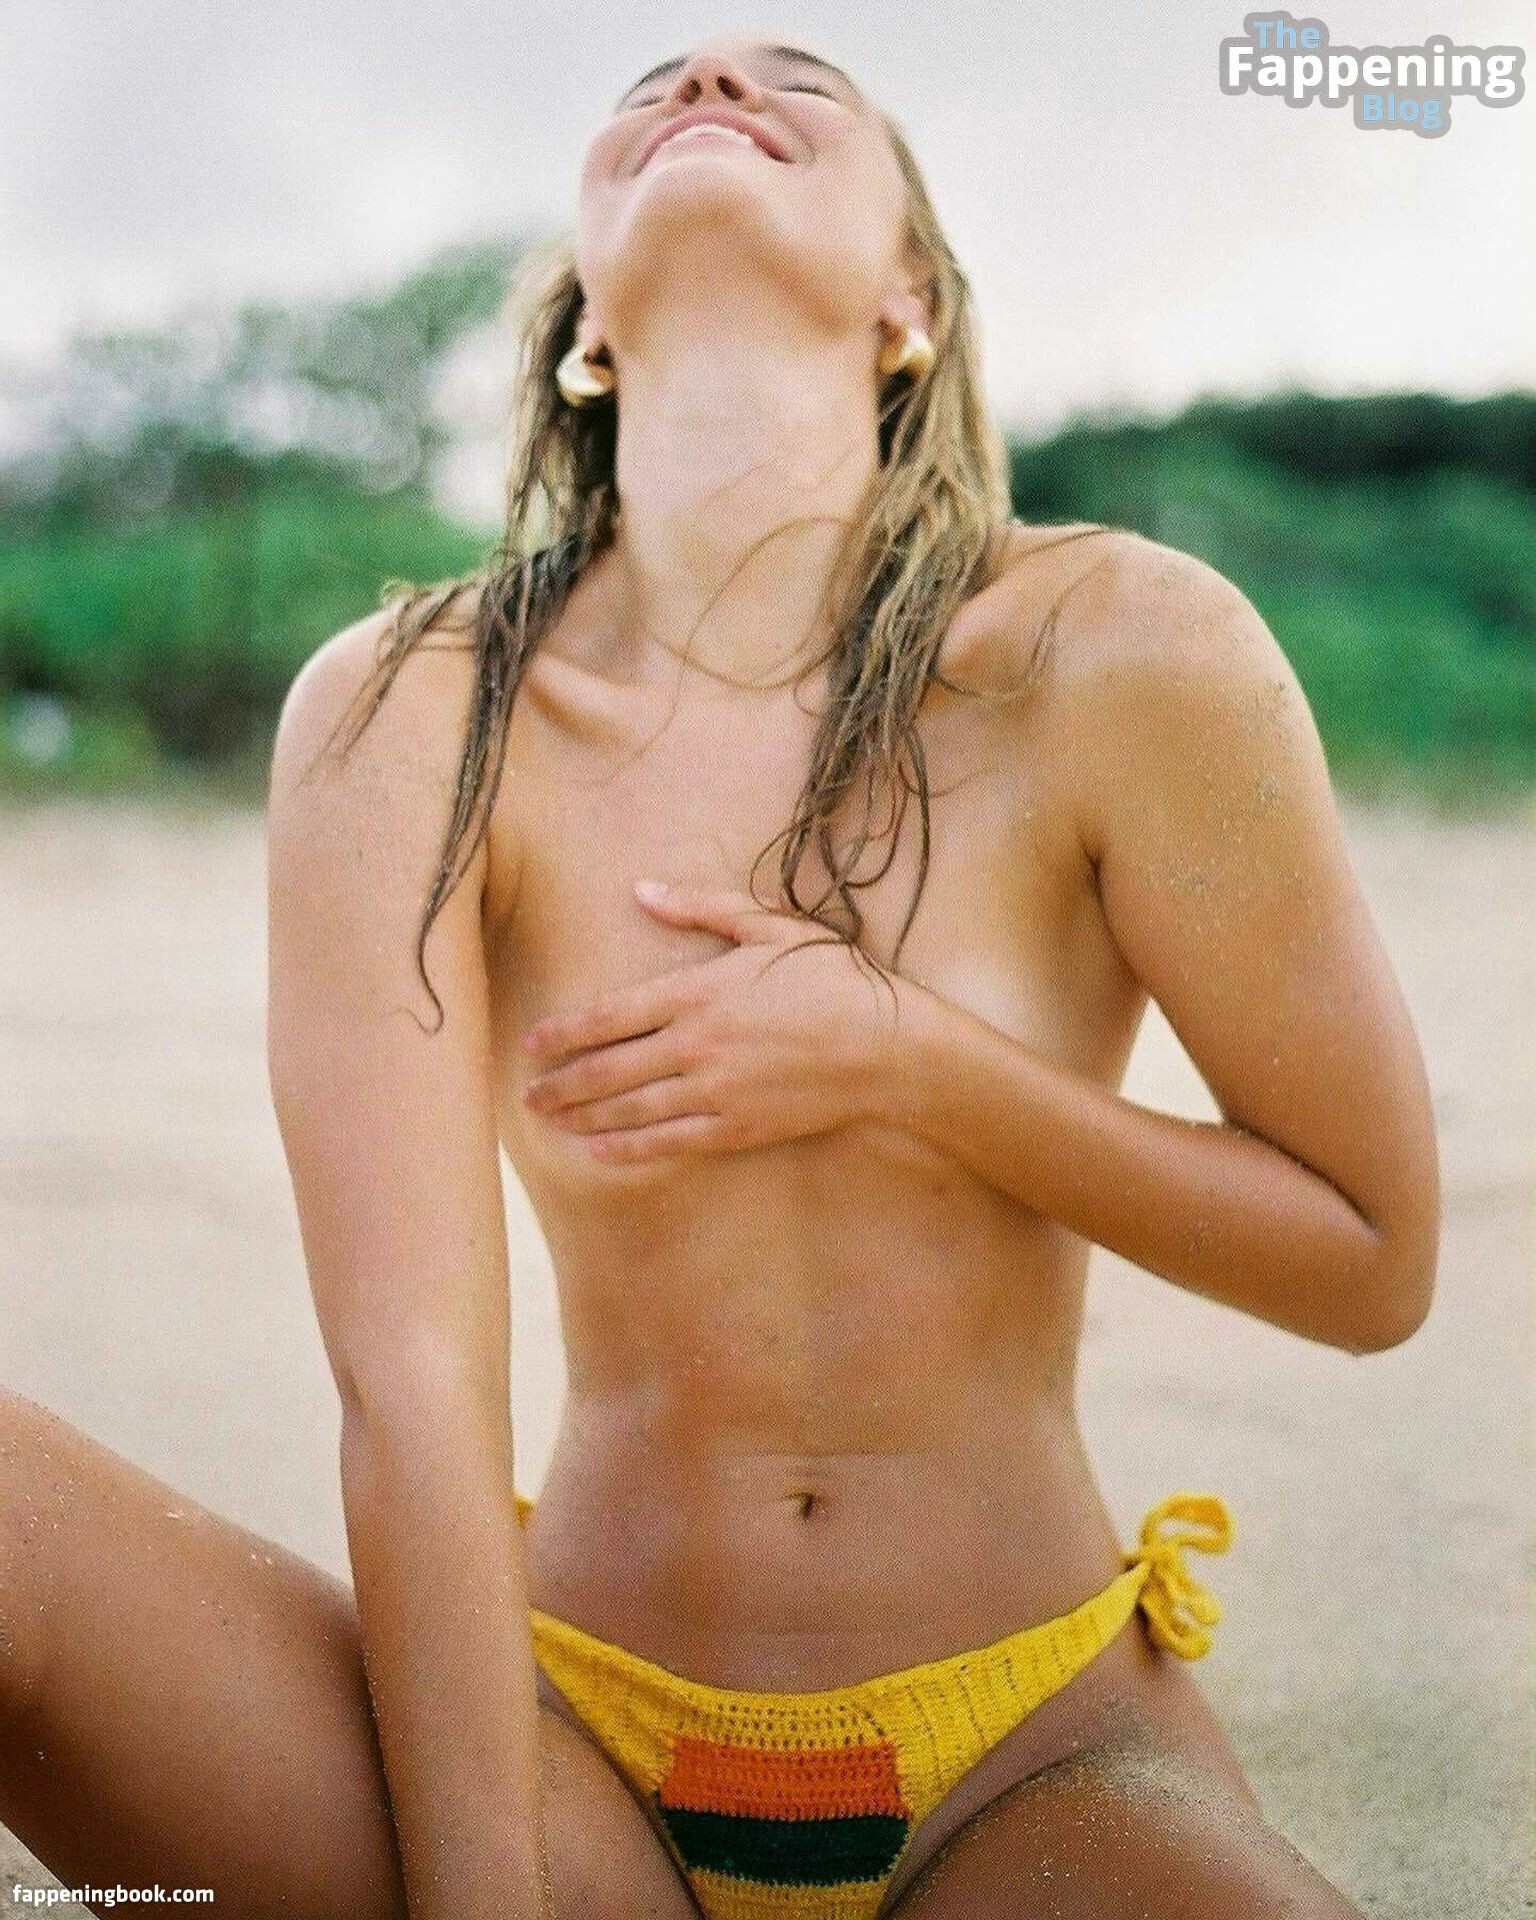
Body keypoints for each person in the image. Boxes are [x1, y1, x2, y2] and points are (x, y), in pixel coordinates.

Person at [0, 34, 1440, 1920]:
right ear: (585, 327)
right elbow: (413, 1379)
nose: (712, 82)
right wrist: (486, 1894)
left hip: (1033, 1759)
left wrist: (905, 1059)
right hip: (562, 1741)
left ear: (912, 299)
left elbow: (1370, 1258)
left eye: (798, 85)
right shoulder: (408, 712)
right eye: (656, 83)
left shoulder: (1118, 651)